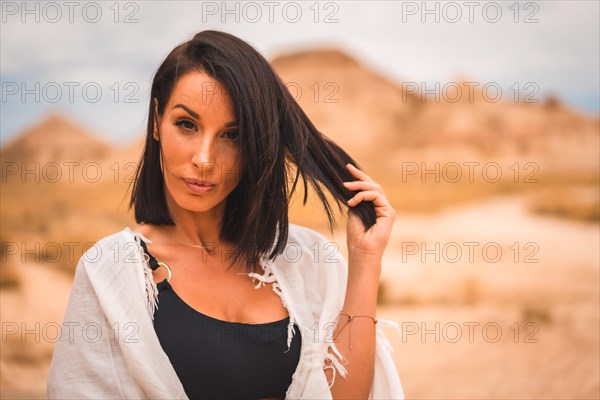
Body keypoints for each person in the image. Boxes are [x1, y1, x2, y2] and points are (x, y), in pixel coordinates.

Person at [46, 30, 404, 399]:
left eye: (232, 135)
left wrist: (365, 261)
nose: (204, 159)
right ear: (156, 121)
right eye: (187, 124)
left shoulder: (305, 260)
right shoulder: (111, 271)